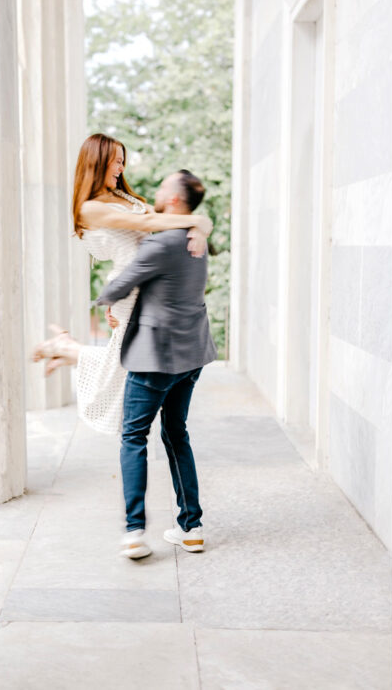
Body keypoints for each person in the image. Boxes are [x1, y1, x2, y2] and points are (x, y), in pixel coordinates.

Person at [31, 133, 211, 435]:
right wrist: (199, 221)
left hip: (145, 283)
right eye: (116, 160)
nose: (121, 167)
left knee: (122, 362)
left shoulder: (124, 198)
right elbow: (148, 224)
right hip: (129, 286)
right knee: (124, 363)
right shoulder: (90, 208)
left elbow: (160, 218)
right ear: (97, 161)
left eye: (122, 160)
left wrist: (198, 227)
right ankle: (65, 348)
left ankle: (66, 349)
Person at [94, 170, 218, 560]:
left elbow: (122, 284)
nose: (158, 190)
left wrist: (101, 302)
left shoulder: (161, 243)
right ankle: (192, 528)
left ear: (176, 200)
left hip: (156, 359)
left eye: (164, 186)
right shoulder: (197, 240)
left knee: (133, 437)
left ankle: (134, 532)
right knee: (176, 433)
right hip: (192, 354)